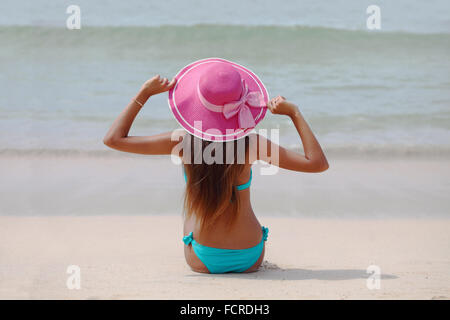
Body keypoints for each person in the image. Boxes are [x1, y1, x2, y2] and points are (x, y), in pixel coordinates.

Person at [103, 58, 328, 274]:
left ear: (197, 105)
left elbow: (113, 139)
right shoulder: (253, 144)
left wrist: (145, 94)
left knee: (192, 213)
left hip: (203, 257)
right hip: (250, 256)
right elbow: (317, 163)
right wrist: (293, 113)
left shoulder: (182, 142)